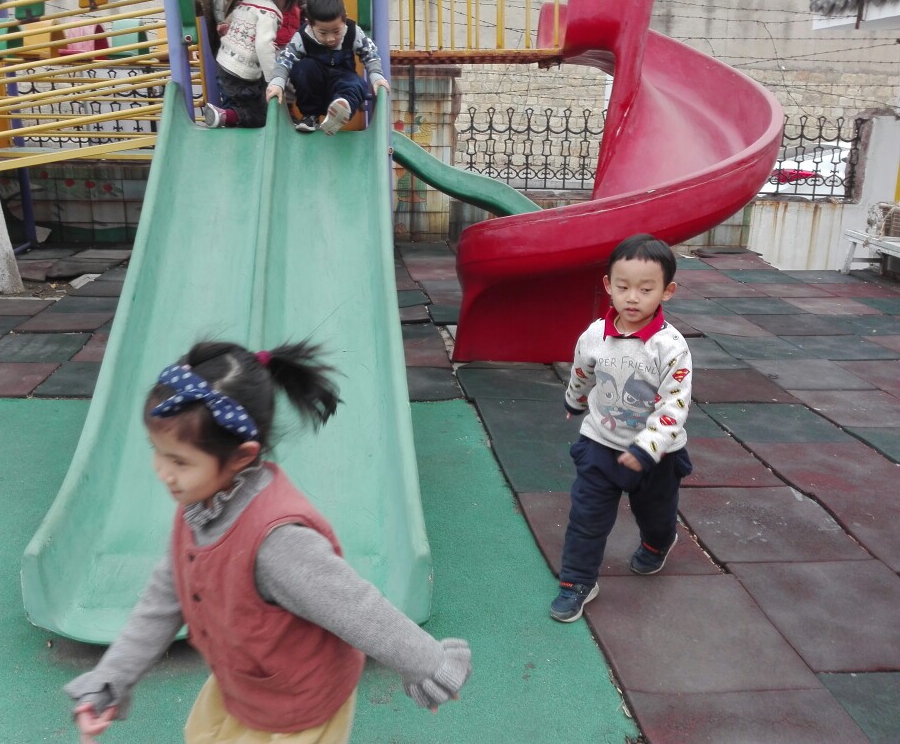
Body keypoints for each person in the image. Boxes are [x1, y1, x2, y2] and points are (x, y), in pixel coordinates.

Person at [67, 340, 473, 742]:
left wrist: (428, 663)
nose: (163, 472)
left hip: (298, 706)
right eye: (157, 452)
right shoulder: (197, 507)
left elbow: (354, 606)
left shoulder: (277, 542)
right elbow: (163, 599)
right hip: (246, 684)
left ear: (242, 457)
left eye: (180, 461)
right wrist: (110, 679)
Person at [549, 234, 694, 623]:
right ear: (608, 285)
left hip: (657, 456)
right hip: (601, 442)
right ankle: (577, 581)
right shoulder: (595, 335)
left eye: (646, 289)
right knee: (586, 517)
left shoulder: (670, 347)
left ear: (667, 291)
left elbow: (675, 404)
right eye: (623, 286)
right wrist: (574, 401)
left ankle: (658, 543)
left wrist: (648, 447)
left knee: (656, 514)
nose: (633, 298)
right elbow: (582, 372)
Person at [266, 0, 389, 135]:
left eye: (336, 31)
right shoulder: (303, 36)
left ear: (345, 19)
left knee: (358, 83)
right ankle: (310, 116)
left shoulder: (353, 32)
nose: (330, 39)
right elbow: (285, 59)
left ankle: (341, 110)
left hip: (342, 82)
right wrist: (277, 82)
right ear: (310, 24)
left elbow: (370, 54)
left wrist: (376, 76)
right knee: (303, 68)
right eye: (323, 33)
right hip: (315, 89)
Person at [203, 0, 302, 129]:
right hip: (241, 74)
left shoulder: (249, 0)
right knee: (259, 116)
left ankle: (226, 116)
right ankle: (226, 116)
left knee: (241, 102)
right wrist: (273, 81)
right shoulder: (269, 12)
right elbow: (263, 46)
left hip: (224, 65)